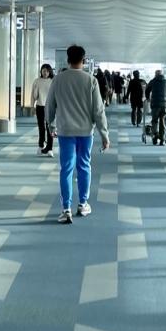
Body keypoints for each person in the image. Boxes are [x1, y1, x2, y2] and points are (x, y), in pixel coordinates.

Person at [46, 44, 109, 224]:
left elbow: (50, 105)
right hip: (85, 132)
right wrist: (104, 134)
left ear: (68, 59)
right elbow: (98, 110)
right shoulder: (91, 80)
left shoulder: (58, 79)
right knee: (84, 166)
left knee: (66, 169)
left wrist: (51, 125)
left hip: (65, 131)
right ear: (84, 60)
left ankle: (66, 209)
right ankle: (82, 204)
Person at [31, 62, 55, 156]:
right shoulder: (37, 81)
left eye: (47, 71)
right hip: (40, 106)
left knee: (50, 128)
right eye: (43, 71)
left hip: (50, 107)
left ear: (50, 72)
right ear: (41, 71)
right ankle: (41, 145)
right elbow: (33, 96)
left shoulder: (52, 81)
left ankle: (50, 148)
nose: (45, 73)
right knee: (41, 127)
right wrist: (32, 106)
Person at [145, 69, 166, 145]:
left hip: (155, 105)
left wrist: (148, 98)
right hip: (165, 106)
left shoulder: (153, 81)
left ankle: (155, 136)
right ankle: (162, 140)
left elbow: (147, 90)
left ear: (155, 75)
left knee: (154, 121)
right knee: (162, 121)